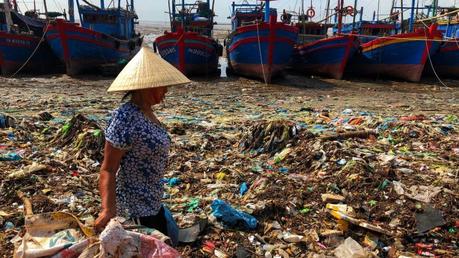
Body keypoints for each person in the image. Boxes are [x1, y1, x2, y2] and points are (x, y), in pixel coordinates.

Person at [94, 47, 190, 236]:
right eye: (163, 86)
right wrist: (107, 209)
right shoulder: (125, 117)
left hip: (153, 201)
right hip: (134, 208)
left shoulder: (148, 113)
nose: (166, 91)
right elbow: (108, 169)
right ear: (148, 85)